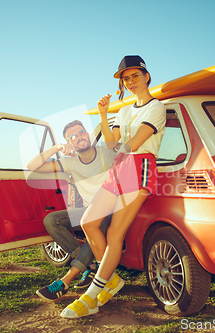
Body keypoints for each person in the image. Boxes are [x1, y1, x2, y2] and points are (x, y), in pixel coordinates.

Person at [61, 55, 166, 318]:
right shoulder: (125, 110)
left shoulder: (156, 108)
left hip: (139, 165)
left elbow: (135, 142)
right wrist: (105, 114)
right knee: (88, 222)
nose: (130, 82)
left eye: (134, 76)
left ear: (146, 76)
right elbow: (110, 143)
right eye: (125, 78)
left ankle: (91, 296)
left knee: (115, 234)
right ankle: (111, 280)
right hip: (119, 166)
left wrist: (118, 147)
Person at [26, 120, 116, 303]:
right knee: (51, 220)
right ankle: (87, 265)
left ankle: (65, 280)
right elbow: (32, 166)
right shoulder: (70, 162)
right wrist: (56, 148)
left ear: (88, 134)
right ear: (69, 142)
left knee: (94, 224)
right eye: (72, 136)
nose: (79, 137)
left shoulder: (106, 153)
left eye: (81, 132)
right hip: (89, 210)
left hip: (112, 209)